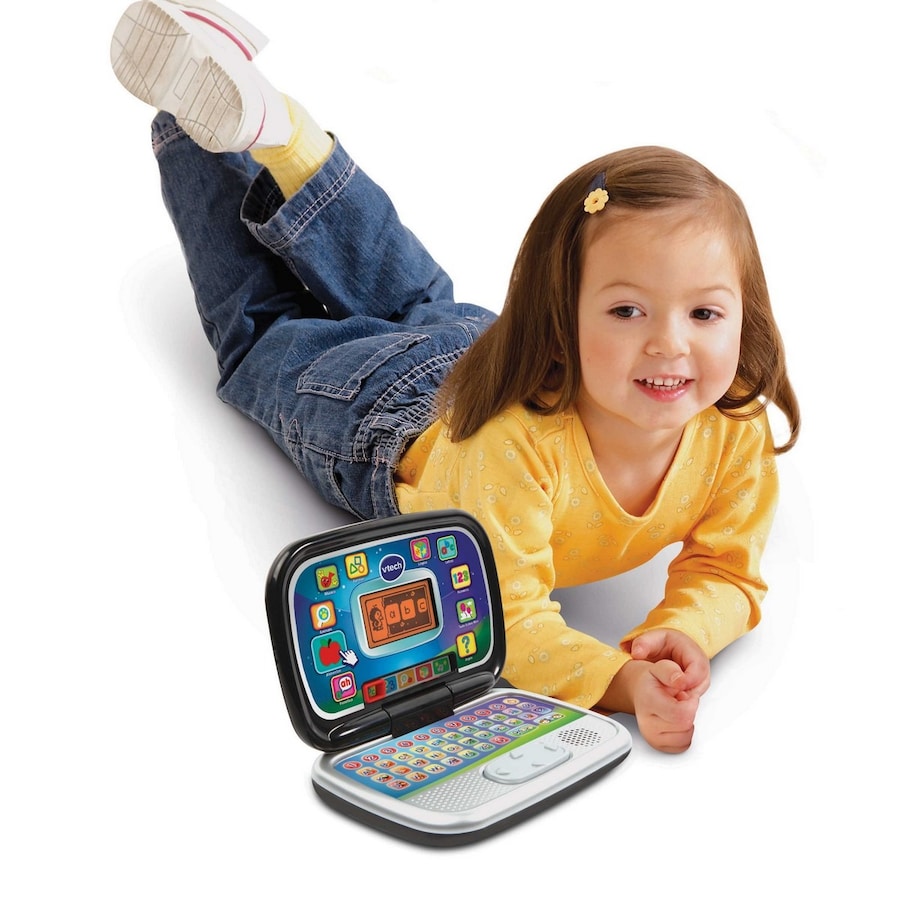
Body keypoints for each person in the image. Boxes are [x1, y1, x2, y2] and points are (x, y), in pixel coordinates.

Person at [111, 1, 800, 753]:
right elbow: (510, 620)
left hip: (487, 350)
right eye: (628, 310)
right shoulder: (515, 450)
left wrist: (684, 630)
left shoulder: (734, 427)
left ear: (745, 314)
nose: (670, 345)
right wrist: (622, 681)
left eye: (704, 313)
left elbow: (727, 572)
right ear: (559, 316)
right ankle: (191, 135)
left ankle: (286, 135)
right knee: (260, 340)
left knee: (419, 298)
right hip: (385, 419)